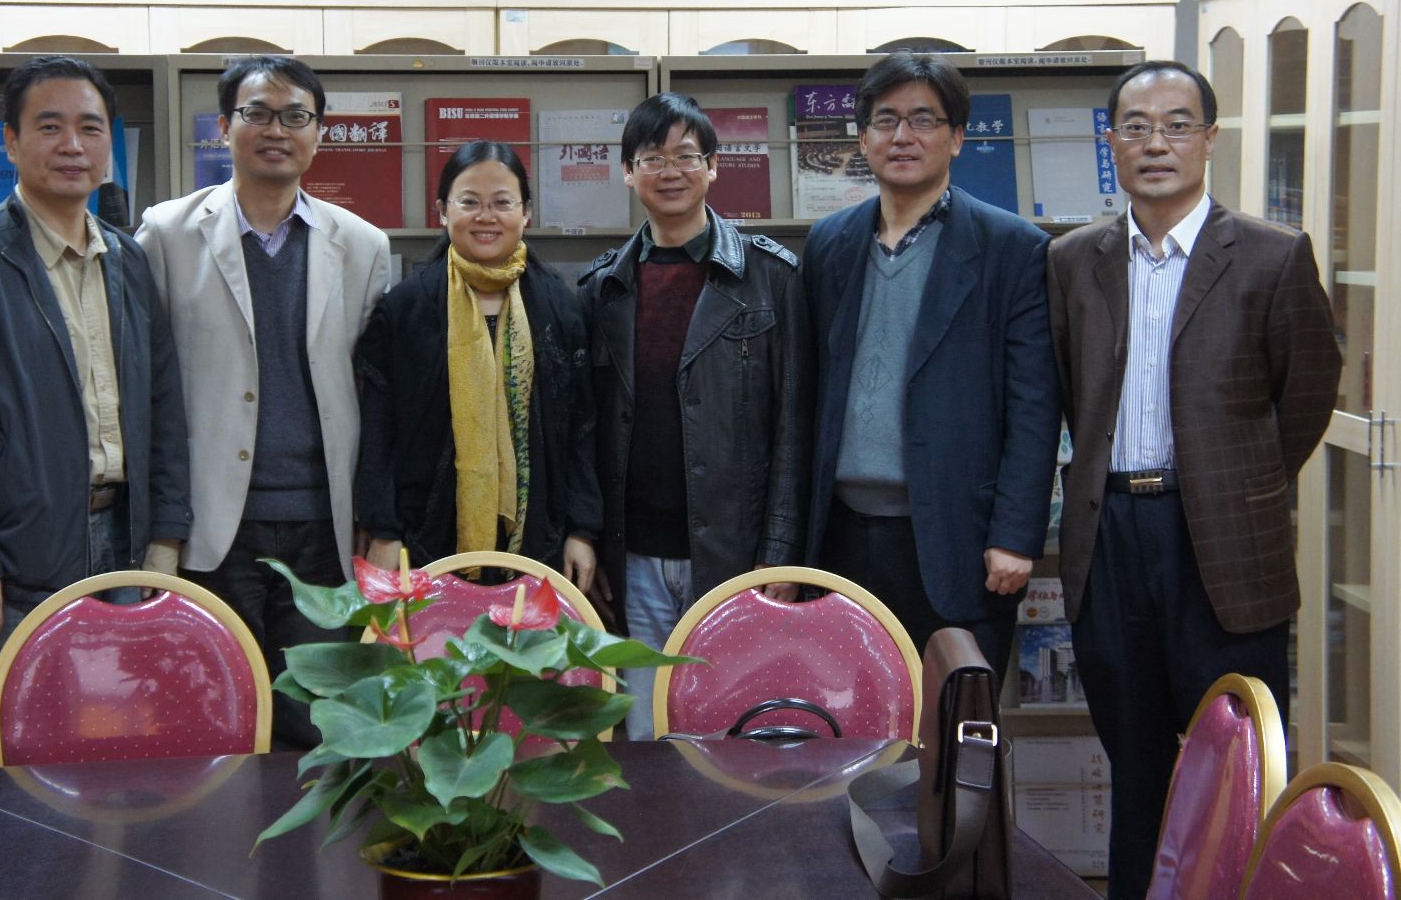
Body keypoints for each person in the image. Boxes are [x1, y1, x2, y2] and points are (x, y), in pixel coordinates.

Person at [1047, 59, 1341, 899]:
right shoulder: (1072, 259)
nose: (1157, 144)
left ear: (1210, 139)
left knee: (1238, 767)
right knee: (1135, 763)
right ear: (1112, 143)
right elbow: (1070, 386)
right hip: (1111, 541)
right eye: (1136, 128)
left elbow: (1308, 392)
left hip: (1224, 546)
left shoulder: (1272, 255)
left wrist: (1237, 483)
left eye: (1177, 125)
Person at [0, 55, 191, 769]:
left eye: (90, 128)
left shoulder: (127, 261)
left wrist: (165, 535)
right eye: (50, 127)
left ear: (108, 145)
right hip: (12, 558)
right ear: (11, 141)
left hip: (121, 545)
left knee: (112, 752)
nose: (72, 145)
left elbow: (162, 406)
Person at [135, 55, 389, 749]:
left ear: (319, 132)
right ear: (224, 127)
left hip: (324, 528)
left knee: (319, 727)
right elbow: (148, 389)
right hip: (213, 526)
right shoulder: (166, 234)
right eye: (257, 114)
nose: (277, 130)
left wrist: (375, 517)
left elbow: (375, 395)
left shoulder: (363, 246)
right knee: (214, 721)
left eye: (296, 116)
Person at [802, 53, 1060, 674]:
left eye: (923, 120)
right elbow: (807, 390)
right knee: (846, 716)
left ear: (958, 137)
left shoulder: (1012, 249)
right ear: (862, 137)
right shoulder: (829, 242)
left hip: (955, 535)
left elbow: (1034, 405)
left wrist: (1014, 534)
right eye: (885, 120)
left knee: (954, 721)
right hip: (838, 535)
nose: (903, 136)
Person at [580, 92, 812, 740]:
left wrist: (779, 555)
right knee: (645, 732)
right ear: (627, 173)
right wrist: (589, 537)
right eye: (652, 158)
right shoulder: (602, 288)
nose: (670, 171)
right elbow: (587, 431)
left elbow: (795, 429)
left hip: (736, 554)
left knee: (736, 732)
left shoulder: (772, 278)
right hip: (632, 559)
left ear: (713, 166)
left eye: (686, 156)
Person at [355, 140, 600, 587]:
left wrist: (581, 530)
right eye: (469, 202)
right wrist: (384, 529)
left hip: (540, 541)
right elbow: (377, 429)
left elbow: (582, 430)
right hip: (421, 539)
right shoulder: (403, 310)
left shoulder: (560, 308)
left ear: (526, 213)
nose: (486, 217)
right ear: (442, 211)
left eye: (502, 203)